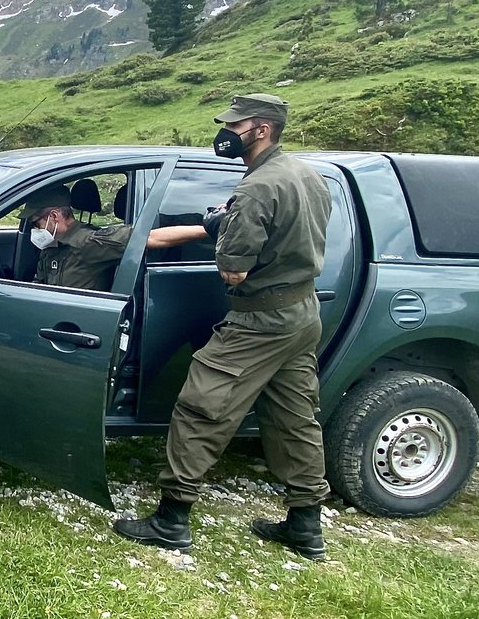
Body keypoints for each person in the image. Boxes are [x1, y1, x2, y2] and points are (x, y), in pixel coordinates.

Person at [112, 94, 335, 561]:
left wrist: (219, 228)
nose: (228, 132)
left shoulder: (257, 188)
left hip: (259, 319)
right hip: (302, 313)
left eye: (238, 124)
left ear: (263, 129)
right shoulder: (308, 175)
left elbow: (233, 272)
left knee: (202, 407)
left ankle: (171, 519)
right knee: (295, 417)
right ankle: (305, 525)